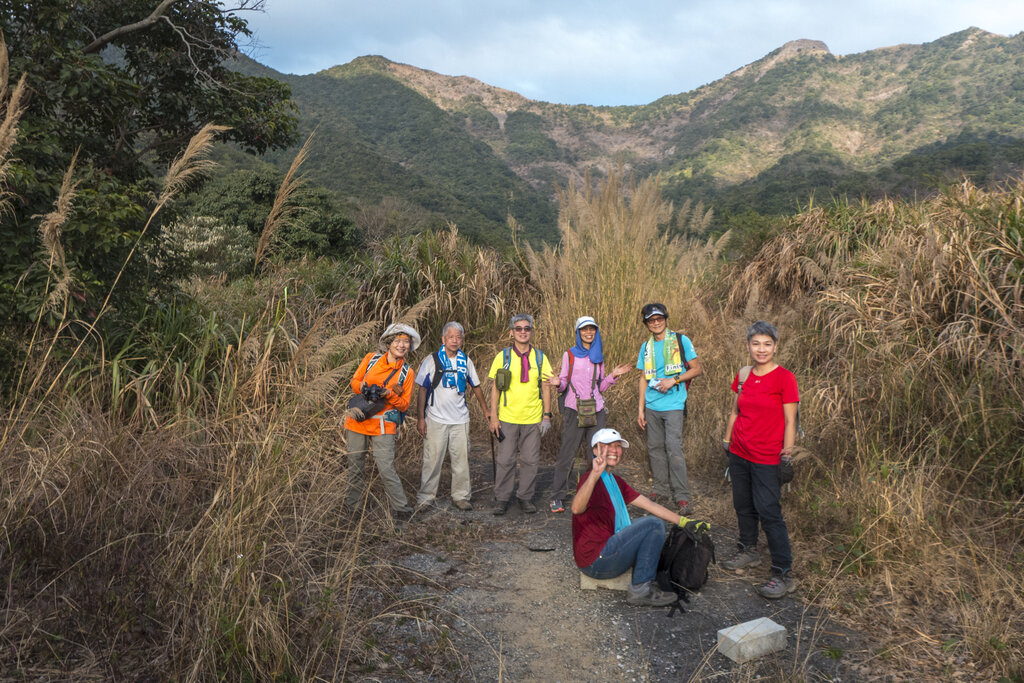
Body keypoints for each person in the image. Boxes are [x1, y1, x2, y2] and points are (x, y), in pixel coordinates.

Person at [572, 428, 697, 607]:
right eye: (608, 445)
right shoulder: (589, 479)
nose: (615, 450)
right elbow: (576, 508)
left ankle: (643, 579)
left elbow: (650, 505)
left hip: (607, 549)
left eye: (618, 446)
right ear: (595, 450)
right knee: (653, 525)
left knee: (652, 524)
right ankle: (640, 590)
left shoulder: (616, 481)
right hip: (595, 562)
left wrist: (685, 522)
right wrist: (594, 475)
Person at [720, 321, 799, 599]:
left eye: (767, 344)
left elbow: (790, 421)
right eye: (756, 344)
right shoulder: (743, 375)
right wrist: (727, 441)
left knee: (769, 512)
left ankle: (782, 572)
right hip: (740, 453)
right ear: (748, 346)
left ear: (775, 347)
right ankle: (748, 550)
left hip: (768, 458)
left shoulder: (785, 378)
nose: (761, 349)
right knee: (743, 505)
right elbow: (735, 411)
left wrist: (787, 456)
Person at [546, 315, 631, 513]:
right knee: (567, 453)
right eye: (584, 329)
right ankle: (557, 497)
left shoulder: (598, 355)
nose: (588, 332)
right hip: (574, 409)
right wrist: (558, 384)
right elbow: (564, 382)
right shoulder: (569, 355)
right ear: (578, 332)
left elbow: (600, 387)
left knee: (596, 453)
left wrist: (613, 376)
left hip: (596, 409)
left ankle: (592, 495)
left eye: (592, 329)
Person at [344, 323, 420, 514]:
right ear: (389, 343)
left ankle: (401, 508)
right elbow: (354, 382)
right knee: (355, 467)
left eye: (406, 342)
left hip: (384, 424)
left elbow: (404, 405)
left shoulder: (407, 373)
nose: (401, 345)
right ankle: (353, 508)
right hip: (358, 419)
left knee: (386, 468)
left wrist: (388, 394)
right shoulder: (371, 359)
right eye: (398, 341)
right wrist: (364, 388)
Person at [414, 322, 490, 512]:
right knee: (432, 461)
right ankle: (426, 497)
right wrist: (421, 418)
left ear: (462, 340)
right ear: (443, 339)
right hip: (435, 419)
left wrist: (486, 410)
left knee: (461, 461)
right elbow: (422, 390)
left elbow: (476, 386)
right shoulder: (431, 360)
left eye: (458, 337)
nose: (455, 341)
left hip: (460, 420)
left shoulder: (466, 361)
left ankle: (461, 496)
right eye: (451, 337)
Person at [635, 303, 702, 512]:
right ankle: (660, 490)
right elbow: (643, 378)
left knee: (674, 448)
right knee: (655, 448)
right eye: (651, 320)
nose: (656, 323)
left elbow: (696, 369)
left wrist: (674, 380)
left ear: (665, 318)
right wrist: (641, 408)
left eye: (659, 319)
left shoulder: (681, 340)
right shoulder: (646, 347)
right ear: (646, 323)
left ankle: (682, 496)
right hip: (652, 405)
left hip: (673, 404)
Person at [487, 313, 553, 515]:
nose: (523, 332)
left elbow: (546, 386)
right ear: (512, 332)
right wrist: (494, 417)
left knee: (530, 461)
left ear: (531, 331)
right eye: (519, 328)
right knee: (505, 460)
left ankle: (525, 497)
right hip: (507, 418)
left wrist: (547, 416)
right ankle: (502, 499)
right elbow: (495, 388)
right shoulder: (503, 357)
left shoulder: (540, 357)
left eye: (527, 328)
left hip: (533, 419)